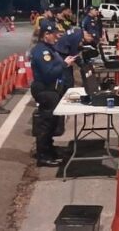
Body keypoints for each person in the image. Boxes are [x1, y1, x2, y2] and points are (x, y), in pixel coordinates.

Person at [30, 22, 77, 167]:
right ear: (46, 35)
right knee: (46, 123)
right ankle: (43, 155)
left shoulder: (49, 48)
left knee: (53, 122)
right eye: (54, 34)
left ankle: (49, 149)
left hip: (53, 90)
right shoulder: (42, 51)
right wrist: (64, 65)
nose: (57, 37)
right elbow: (49, 73)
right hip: (45, 90)